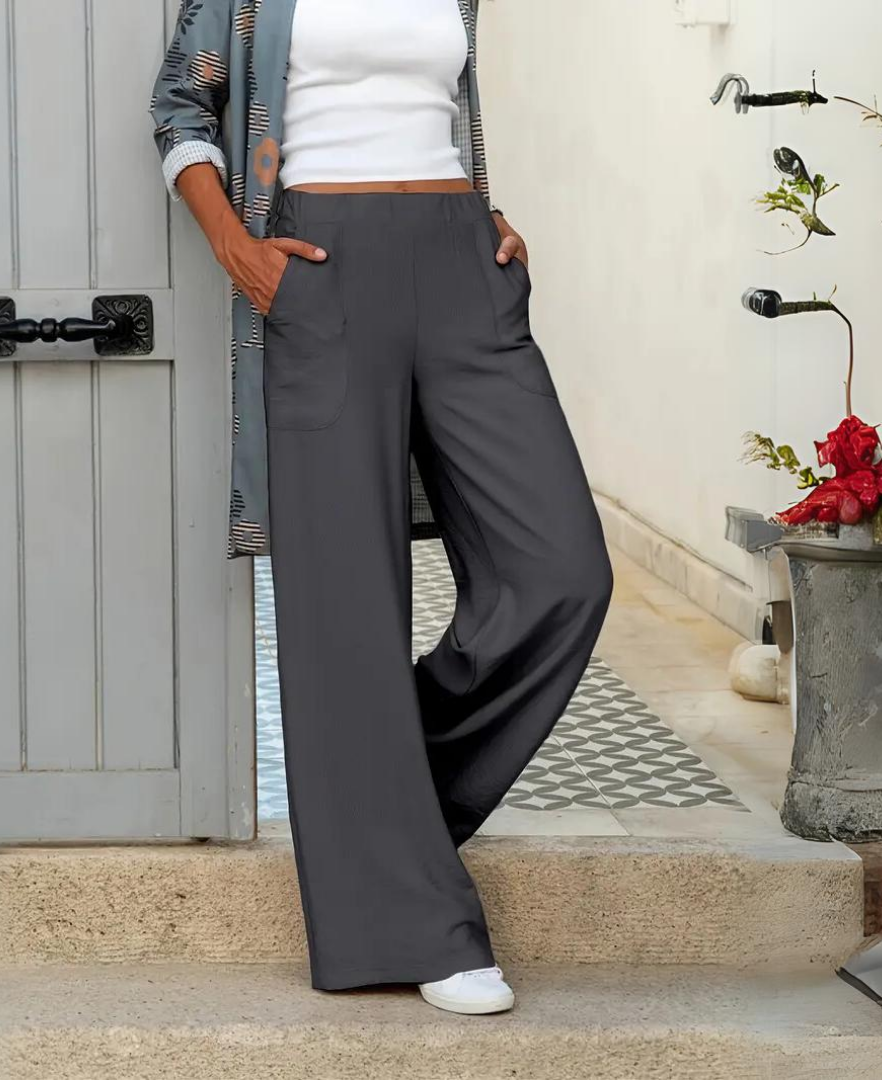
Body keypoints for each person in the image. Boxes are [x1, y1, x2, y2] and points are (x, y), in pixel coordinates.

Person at [149, 0, 613, 1015]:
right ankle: (412, 918)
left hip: (464, 265)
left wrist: (487, 218)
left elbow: (438, 110)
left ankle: (371, 801)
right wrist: (237, 249)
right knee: (346, 604)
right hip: (320, 265)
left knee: (562, 574)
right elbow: (179, 105)